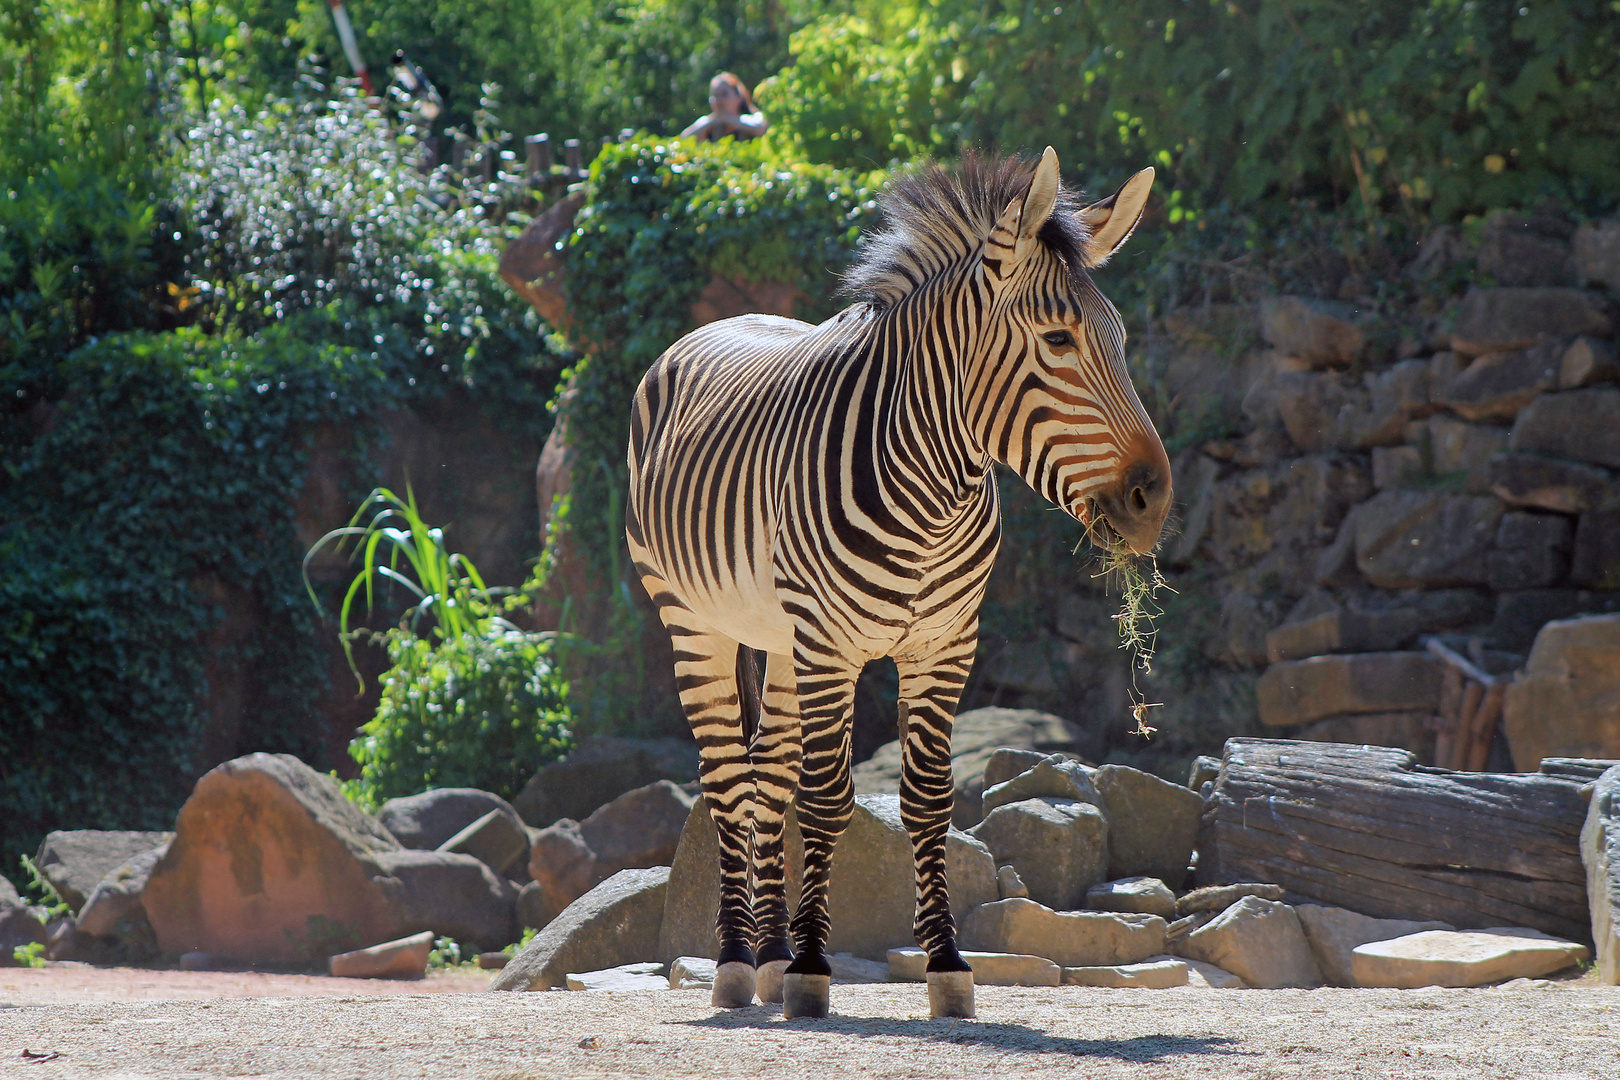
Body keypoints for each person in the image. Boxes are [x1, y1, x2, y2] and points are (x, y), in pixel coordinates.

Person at [680, 73, 768, 143]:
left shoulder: (754, 116)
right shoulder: (707, 122)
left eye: (724, 94)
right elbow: (684, 139)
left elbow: (762, 129)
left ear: (738, 98)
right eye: (715, 95)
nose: (719, 100)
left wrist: (728, 118)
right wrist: (713, 120)